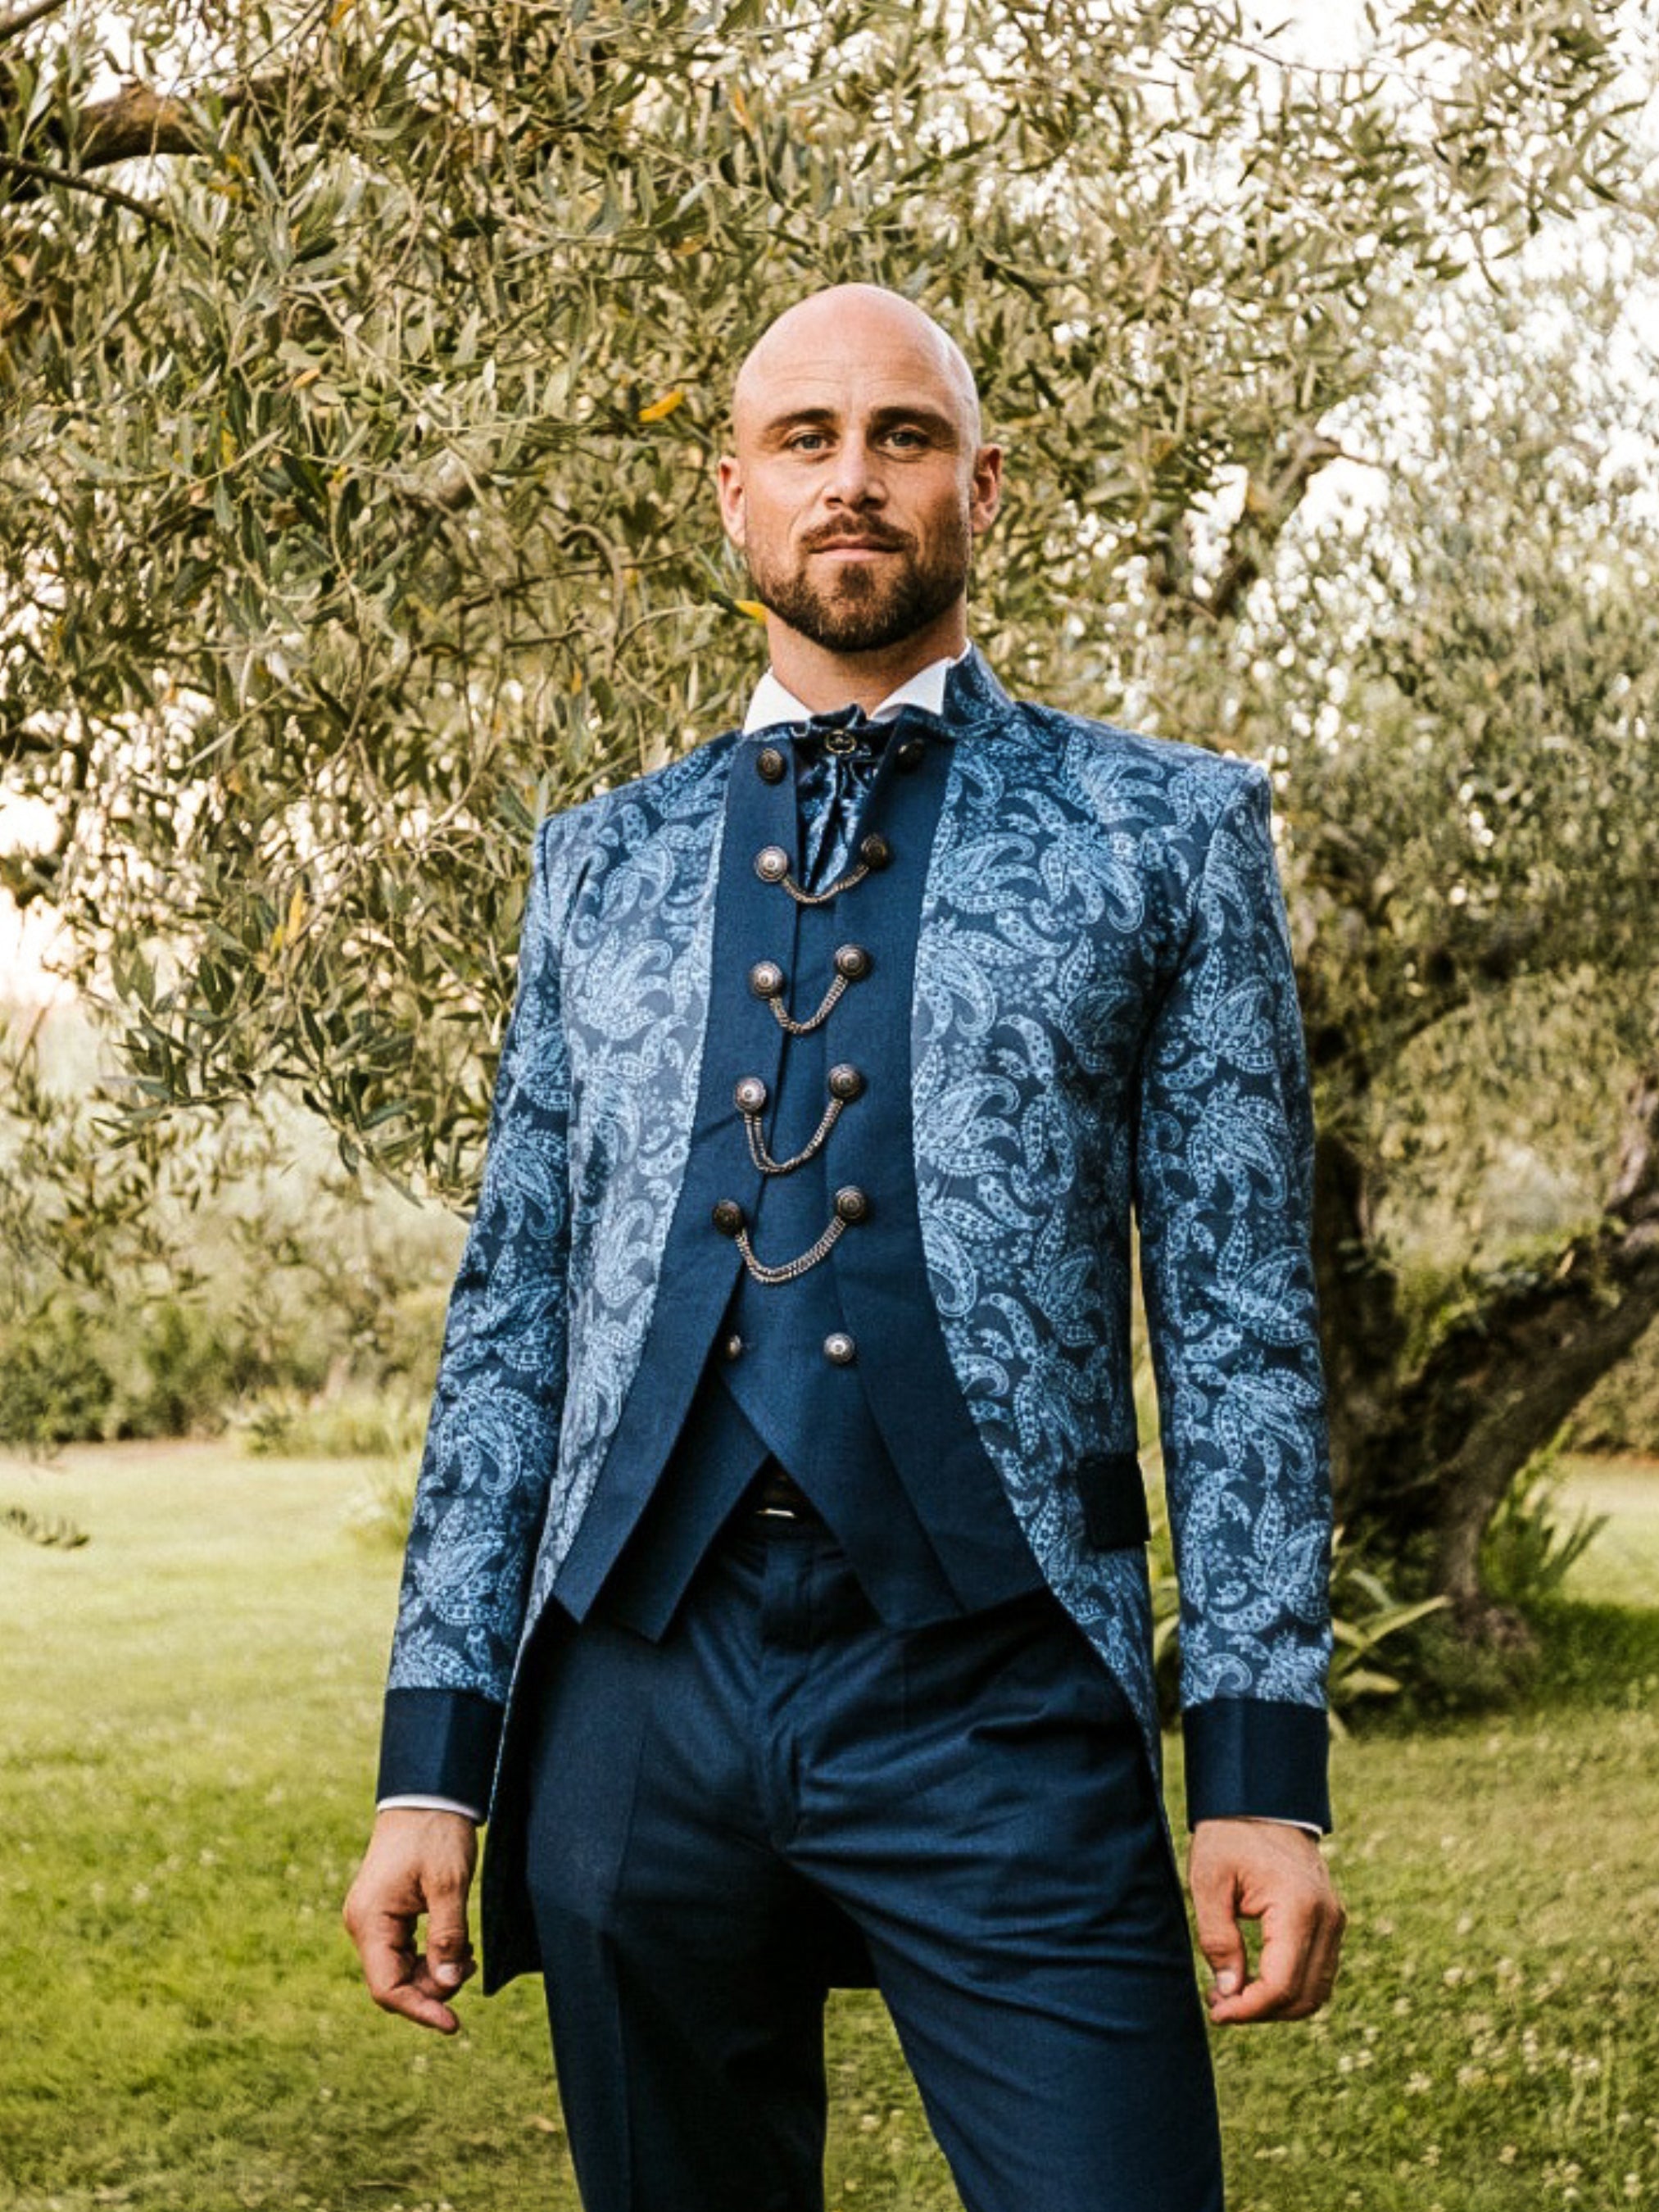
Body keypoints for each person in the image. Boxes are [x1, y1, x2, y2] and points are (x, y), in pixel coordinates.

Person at [344, 282, 1345, 2212]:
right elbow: (509, 1328)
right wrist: (429, 1770)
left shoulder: (1166, 830)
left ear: (983, 486)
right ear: (733, 497)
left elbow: (1234, 1327)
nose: (853, 479)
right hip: (636, 1696)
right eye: (805, 440)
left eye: (901, 437)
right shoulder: (597, 865)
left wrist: (1255, 1765)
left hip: (1000, 1696)